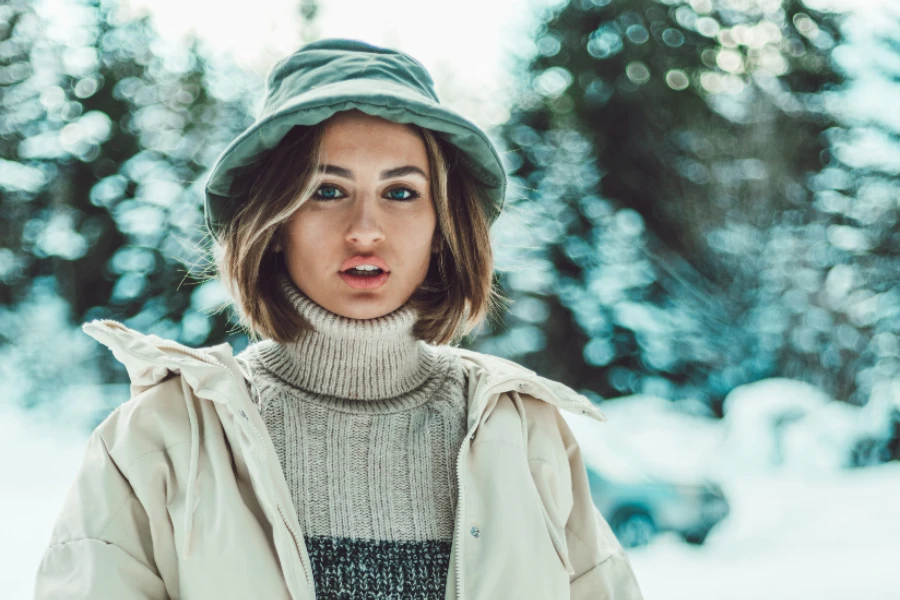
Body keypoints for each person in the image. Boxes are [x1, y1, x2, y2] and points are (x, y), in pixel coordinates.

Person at [33, 39, 645, 599]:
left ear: (443, 226)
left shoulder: (523, 434)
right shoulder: (159, 438)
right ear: (273, 225)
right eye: (326, 191)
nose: (365, 229)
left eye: (402, 192)